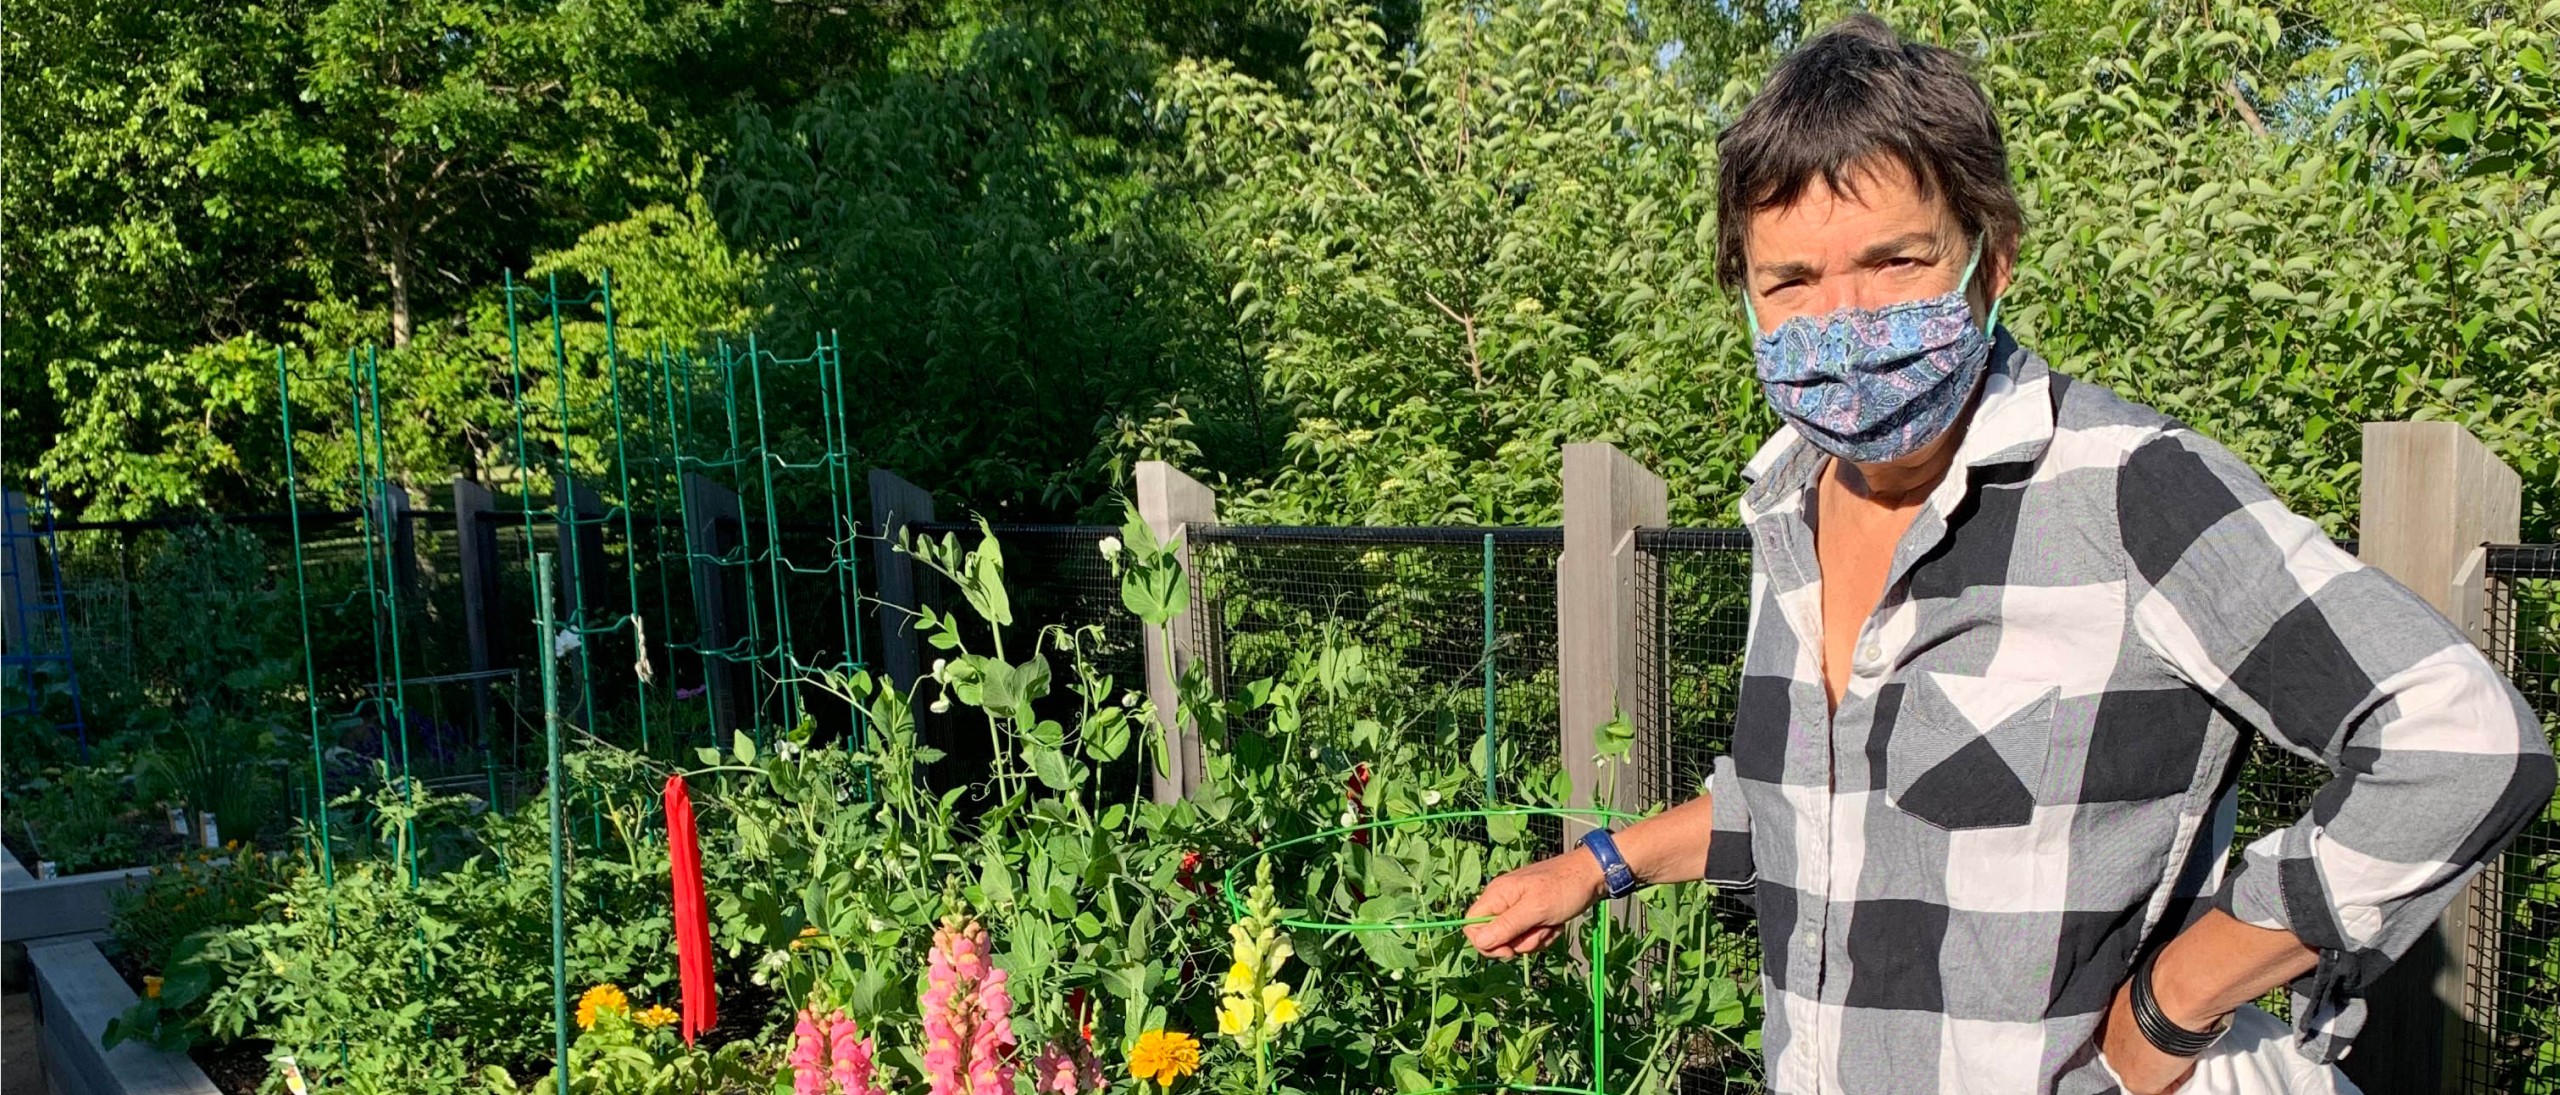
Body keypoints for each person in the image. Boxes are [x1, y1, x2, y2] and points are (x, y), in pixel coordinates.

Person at [1460, 14, 2552, 1094]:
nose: (1840, 324)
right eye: (1790, 283)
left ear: (1991, 261)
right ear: (1742, 292)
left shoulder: (2128, 492)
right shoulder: (1784, 507)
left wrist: (2174, 1005)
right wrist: (1595, 867)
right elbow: (1823, 805)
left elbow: (2462, 748)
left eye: (1894, 262)